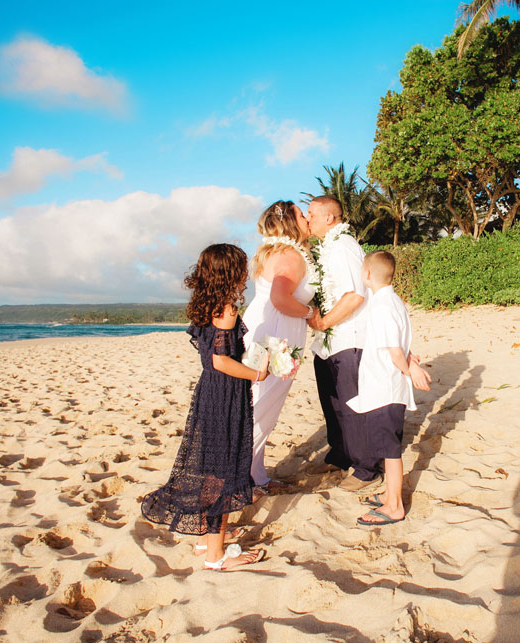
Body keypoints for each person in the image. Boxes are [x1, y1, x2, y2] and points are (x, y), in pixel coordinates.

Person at [141, 243, 269, 571]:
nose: (246, 274)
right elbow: (220, 361)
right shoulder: (225, 309)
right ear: (231, 273)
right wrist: (258, 372)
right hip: (225, 395)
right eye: (242, 268)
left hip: (211, 393)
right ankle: (216, 556)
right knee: (225, 472)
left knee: (212, 469)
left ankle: (205, 539)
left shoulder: (205, 305)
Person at [346, 251, 431, 526]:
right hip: (386, 386)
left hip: (385, 387)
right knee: (387, 446)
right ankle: (389, 495)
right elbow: (400, 342)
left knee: (391, 450)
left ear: (368, 274)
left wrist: (410, 368)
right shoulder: (393, 301)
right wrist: (411, 358)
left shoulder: (382, 306)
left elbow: (395, 351)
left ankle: (395, 506)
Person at [242, 201, 316, 493]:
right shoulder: (289, 255)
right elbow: (280, 299)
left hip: (267, 327)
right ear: (289, 222)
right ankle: (240, 478)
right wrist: (311, 314)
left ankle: (255, 475)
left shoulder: (277, 252)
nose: (307, 217)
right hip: (274, 335)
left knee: (257, 403)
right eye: (301, 214)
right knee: (261, 406)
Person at [304, 196, 377, 491]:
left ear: (330, 219)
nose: (307, 220)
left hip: (348, 338)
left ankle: (366, 468)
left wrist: (323, 322)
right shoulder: (327, 249)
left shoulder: (344, 247)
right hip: (328, 343)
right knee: (331, 403)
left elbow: (355, 295)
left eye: (311, 215)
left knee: (351, 405)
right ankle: (340, 454)